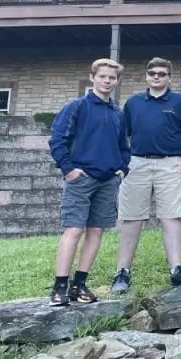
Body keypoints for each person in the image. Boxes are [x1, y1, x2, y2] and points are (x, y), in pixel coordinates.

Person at [112, 58, 181, 294]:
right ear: (146, 76)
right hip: (138, 164)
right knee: (131, 219)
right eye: (152, 73)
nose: (156, 76)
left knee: (171, 217)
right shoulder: (133, 103)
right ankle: (122, 272)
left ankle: (176, 270)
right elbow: (122, 136)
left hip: (170, 165)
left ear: (170, 77)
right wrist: (123, 163)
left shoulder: (180, 102)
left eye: (162, 73)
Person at [48, 58, 130, 306]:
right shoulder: (77, 106)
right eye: (103, 76)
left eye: (112, 78)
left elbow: (123, 147)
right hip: (81, 178)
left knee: (96, 231)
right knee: (73, 230)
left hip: (108, 181)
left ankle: (79, 284)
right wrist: (68, 169)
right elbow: (58, 139)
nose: (107, 81)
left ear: (117, 82)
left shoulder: (118, 113)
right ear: (93, 77)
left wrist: (122, 169)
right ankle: (59, 286)